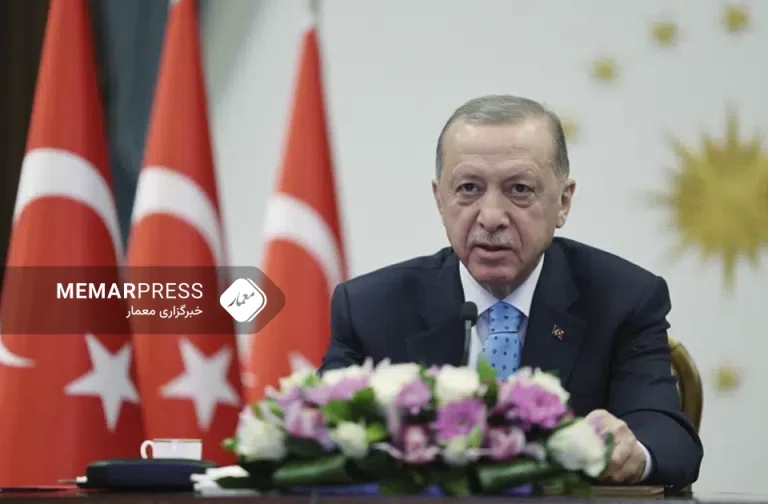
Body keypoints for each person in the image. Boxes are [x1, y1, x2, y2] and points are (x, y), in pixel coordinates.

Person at [319, 95, 703, 489]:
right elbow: (318, 435)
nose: (490, 217)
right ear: (440, 200)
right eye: (469, 188)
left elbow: (668, 437)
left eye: (519, 189)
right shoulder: (370, 309)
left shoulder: (623, 299)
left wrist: (632, 451)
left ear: (563, 202)